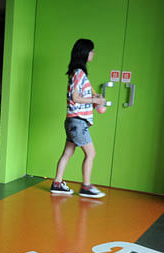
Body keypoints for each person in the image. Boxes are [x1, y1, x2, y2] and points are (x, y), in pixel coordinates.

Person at [50, 38, 106, 198]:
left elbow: (79, 97)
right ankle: (86, 187)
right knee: (91, 153)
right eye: (92, 51)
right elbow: (75, 97)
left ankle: (57, 183)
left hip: (74, 121)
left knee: (67, 153)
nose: (93, 54)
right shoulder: (79, 73)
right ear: (85, 52)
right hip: (77, 122)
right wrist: (95, 100)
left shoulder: (77, 73)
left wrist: (94, 100)